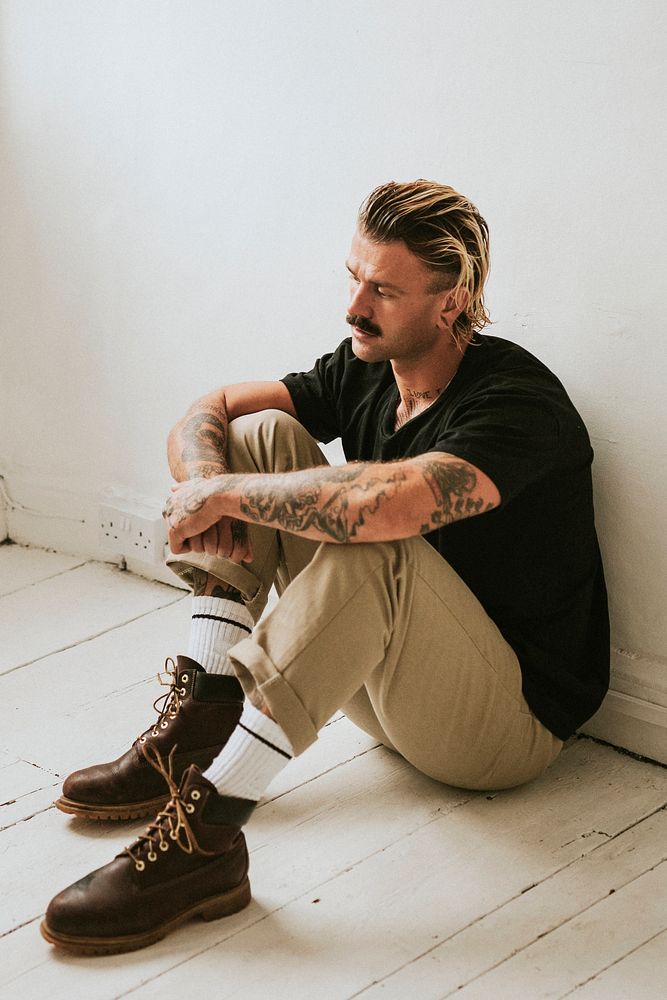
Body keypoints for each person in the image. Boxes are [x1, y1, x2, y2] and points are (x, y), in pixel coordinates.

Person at [40, 180, 609, 955]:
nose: (353, 306)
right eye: (352, 276)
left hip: (502, 726)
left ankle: (209, 837)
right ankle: (205, 719)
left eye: (382, 289)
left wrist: (223, 495)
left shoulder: (516, 402)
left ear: (452, 300)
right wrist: (213, 484)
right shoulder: (369, 364)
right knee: (266, 434)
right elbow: (210, 411)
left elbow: (394, 506)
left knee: (371, 539)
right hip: (391, 683)